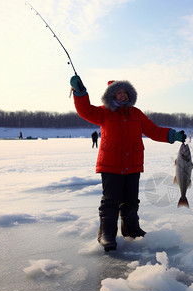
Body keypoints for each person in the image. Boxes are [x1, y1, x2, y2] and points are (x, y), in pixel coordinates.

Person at [70, 75, 186, 252]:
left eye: (125, 92)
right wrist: (80, 93)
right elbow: (85, 111)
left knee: (131, 200)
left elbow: (153, 131)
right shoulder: (103, 112)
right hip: (111, 164)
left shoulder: (136, 113)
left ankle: (131, 229)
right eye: (118, 93)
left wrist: (172, 135)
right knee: (111, 201)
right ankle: (106, 233)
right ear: (111, 96)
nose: (123, 96)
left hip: (132, 164)